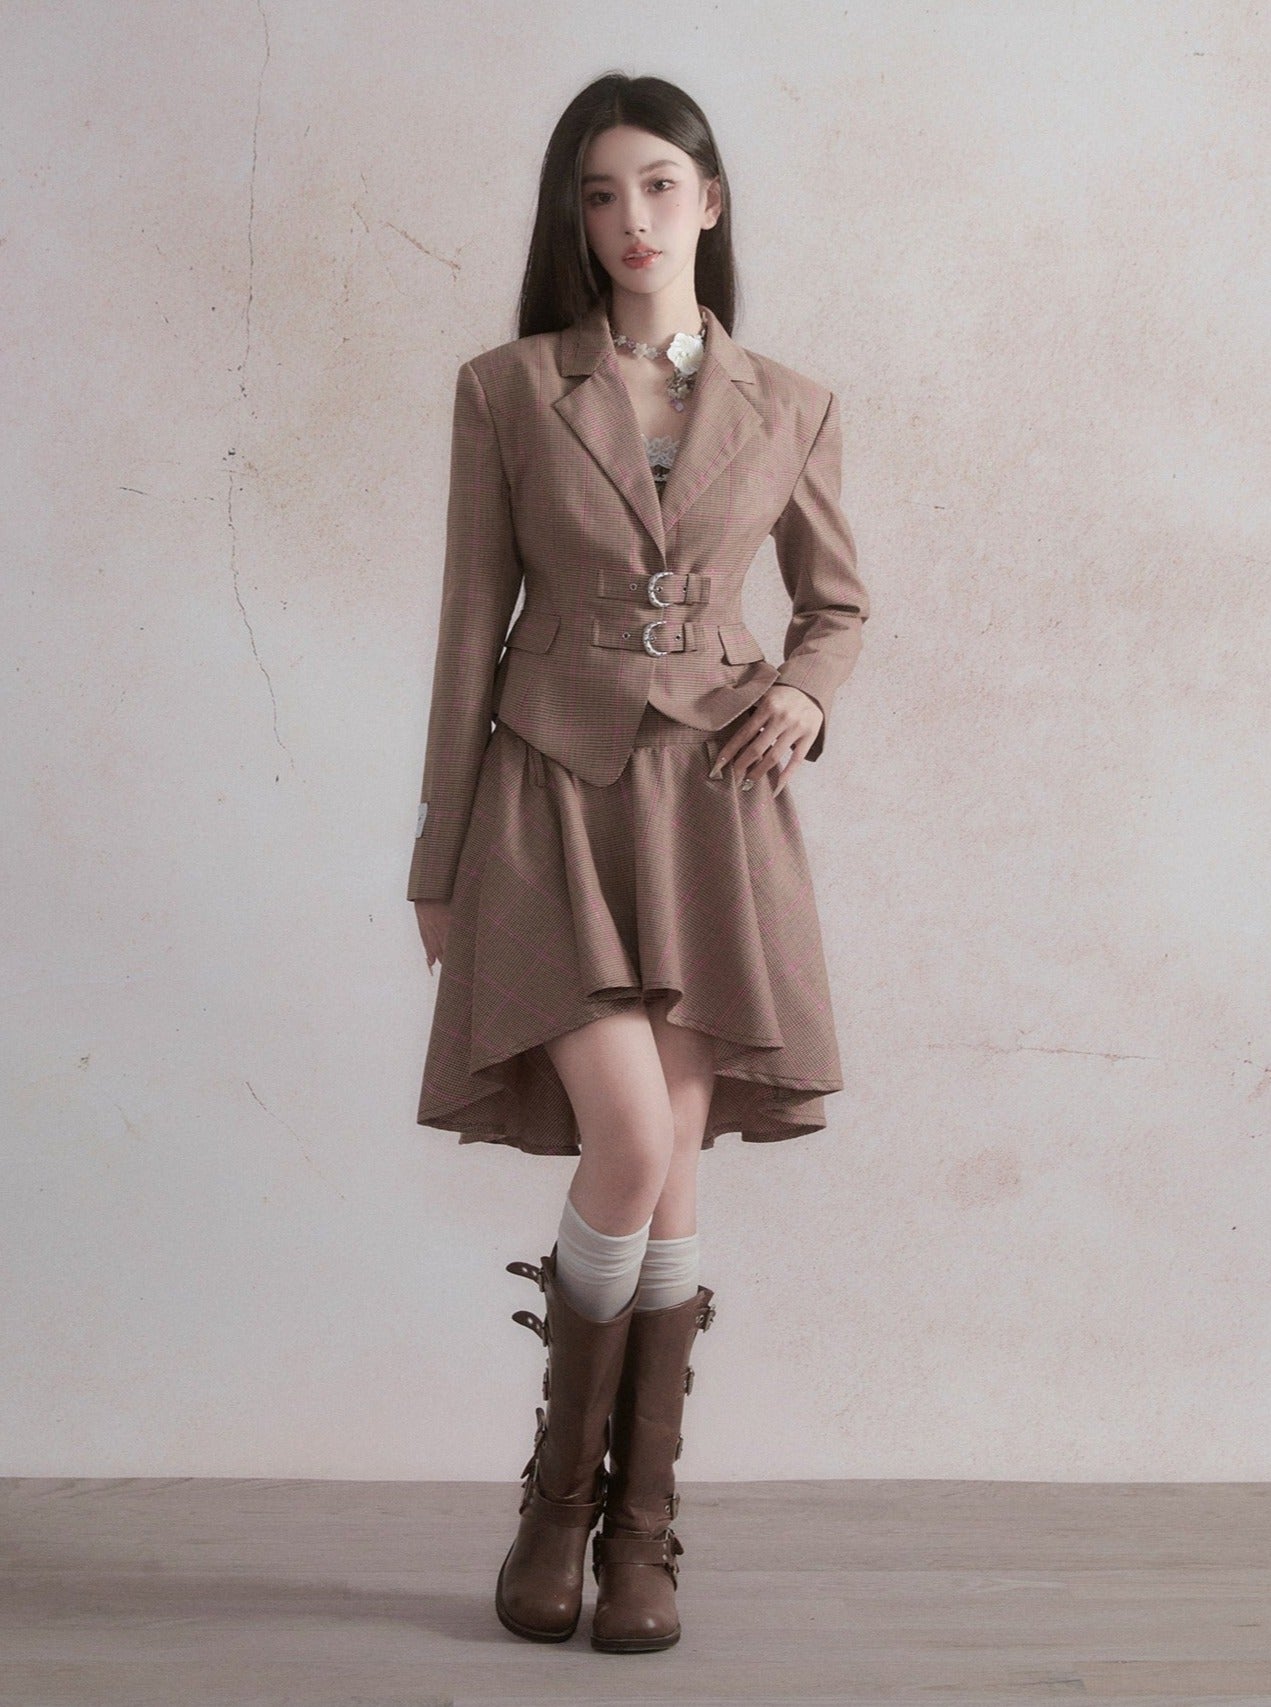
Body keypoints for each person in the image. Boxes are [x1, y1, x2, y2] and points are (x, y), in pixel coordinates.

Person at [407, 72, 870, 1654]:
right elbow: (469, 630)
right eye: (600, 193)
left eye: (660, 185)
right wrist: (437, 860)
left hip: (710, 811)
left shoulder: (791, 402)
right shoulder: (506, 390)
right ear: (574, 215)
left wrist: (809, 692)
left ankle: (634, 1533)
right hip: (546, 797)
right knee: (628, 1136)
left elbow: (838, 604)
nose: (631, 219)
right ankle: (566, 1509)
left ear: (710, 201)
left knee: (668, 1166)